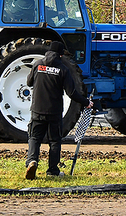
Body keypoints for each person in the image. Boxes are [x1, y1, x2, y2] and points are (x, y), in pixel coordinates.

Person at [25, 41, 92, 179]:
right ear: (60, 54)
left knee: (34, 138)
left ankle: (32, 161)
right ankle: (52, 171)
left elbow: (29, 82)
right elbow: (72, 93)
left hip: (37, 110)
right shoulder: (63, 69)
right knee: (54, 141)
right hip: (54, 112)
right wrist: (86, 102)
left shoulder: (37, 64)